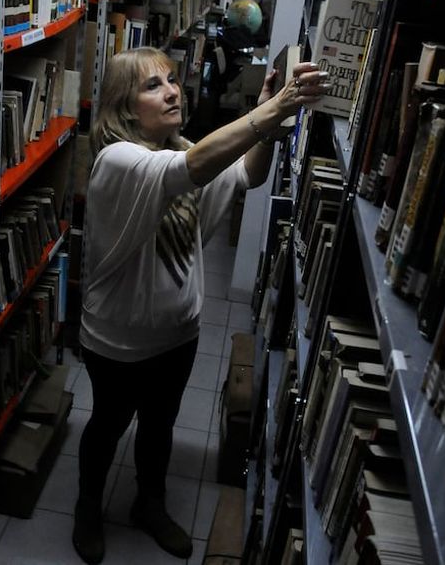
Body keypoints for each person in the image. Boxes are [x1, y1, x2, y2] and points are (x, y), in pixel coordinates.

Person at [73, 46, 327, 563]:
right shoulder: (118, 163)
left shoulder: (184, 150)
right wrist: (273, 109)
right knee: (107, 424)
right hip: (118, 340)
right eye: (152, 85)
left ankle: (151, 503)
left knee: (161, 425)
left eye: (172, 80)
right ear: (124, 108)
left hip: (177, 334)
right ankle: (86, 508)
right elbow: (189, 168)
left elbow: (244, 176)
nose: (172, 90)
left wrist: (271, 124)